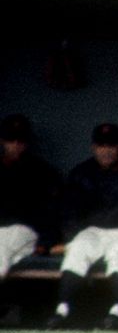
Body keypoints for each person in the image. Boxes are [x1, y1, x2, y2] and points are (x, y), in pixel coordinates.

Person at [46, 123, 118, 331]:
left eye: (111, 145)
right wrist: (70, 239)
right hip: (95, 231)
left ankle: (117, 311)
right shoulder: (82, 172)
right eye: (101, 145)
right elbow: (69, 211)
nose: (106, 150)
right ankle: (62, 310)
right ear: (93, 147)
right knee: (78, 249)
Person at [0, 114, 61, 282]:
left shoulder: (42, 172)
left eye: (20, 141)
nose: (16, 145)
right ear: (2, 141)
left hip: (25, 231)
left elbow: (52, 211)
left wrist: (46, 241)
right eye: (11, 140)